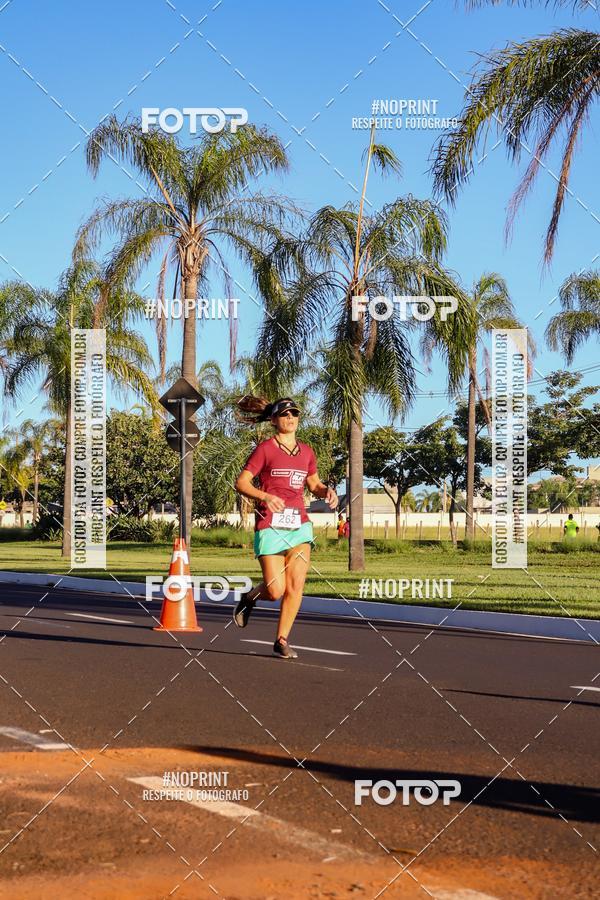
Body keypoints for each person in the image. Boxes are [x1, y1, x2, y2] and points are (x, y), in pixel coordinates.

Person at [233, 396, 338, 659]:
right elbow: (242, 482)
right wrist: (265, 496)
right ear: (274, 420)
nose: (290, 418)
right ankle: (250, 597)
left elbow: (314, 485)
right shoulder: (265, 449)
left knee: (296, 586)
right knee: (275, 590)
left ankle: (282, 639)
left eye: (294, 414)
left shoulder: (306, 451)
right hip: (270, 525)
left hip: (299, 525)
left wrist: (328, 492)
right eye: (285, 414)